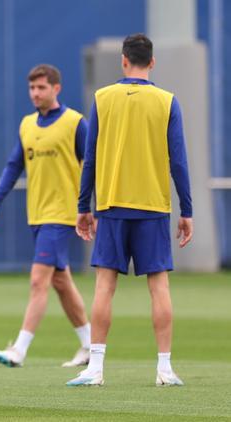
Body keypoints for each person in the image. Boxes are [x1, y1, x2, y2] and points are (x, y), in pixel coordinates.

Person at [66, 34, 193, 387]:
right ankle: (165, 369)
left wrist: (83, 206)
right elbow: (178, 161)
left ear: (124, 60)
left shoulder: (102, 99)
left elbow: (89, 158)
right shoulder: (168, 102)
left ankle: (95, 368)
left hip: (111, 205)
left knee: (104, 287)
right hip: (153, 206)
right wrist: (187, 210)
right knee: (160, 287)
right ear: (152, 62)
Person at [0, 64, 91, 368]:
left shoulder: (75, 123)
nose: (35, 93)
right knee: (61, 281)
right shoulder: (27, 124)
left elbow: (92, 167)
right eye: (31, 88)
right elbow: (14, 167)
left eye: (41, 87)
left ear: (56, 88)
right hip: (37, 214)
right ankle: (90, 345)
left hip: (63, 214)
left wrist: (89, 208)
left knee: (38, 281)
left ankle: (19, 349)